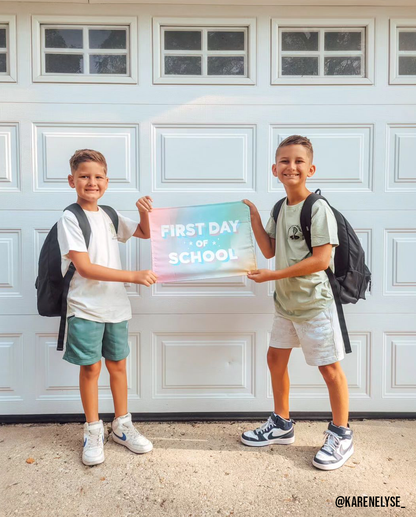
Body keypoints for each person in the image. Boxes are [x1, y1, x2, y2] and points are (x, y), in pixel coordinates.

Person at [241, 135, 353, 471]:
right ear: (274, 169)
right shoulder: (280, 207)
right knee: (275, 359)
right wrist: (255, 217)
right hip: (286, 304)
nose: (291, 167)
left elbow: (321, 260)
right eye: (285, 161)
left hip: (315, 304)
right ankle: (282, 424)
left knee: (329, 369)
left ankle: (341, 434)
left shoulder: (317, 208)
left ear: (311, 169)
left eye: (298, 161)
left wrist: (273, 276)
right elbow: (269, 249)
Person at [58, 149, 157, 466]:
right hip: (85, 307)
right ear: (72, 180)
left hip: (116, 308)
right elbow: (85, 268)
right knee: (91, 369)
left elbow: (145, 232)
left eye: (98, 176)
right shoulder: (70, 218)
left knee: (118, 366)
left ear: (107, 181)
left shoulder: (110, 215)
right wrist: (133, 276)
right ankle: (93, 430)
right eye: (84, 176)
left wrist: (143, 212)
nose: (92, 182)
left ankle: (122, 426)